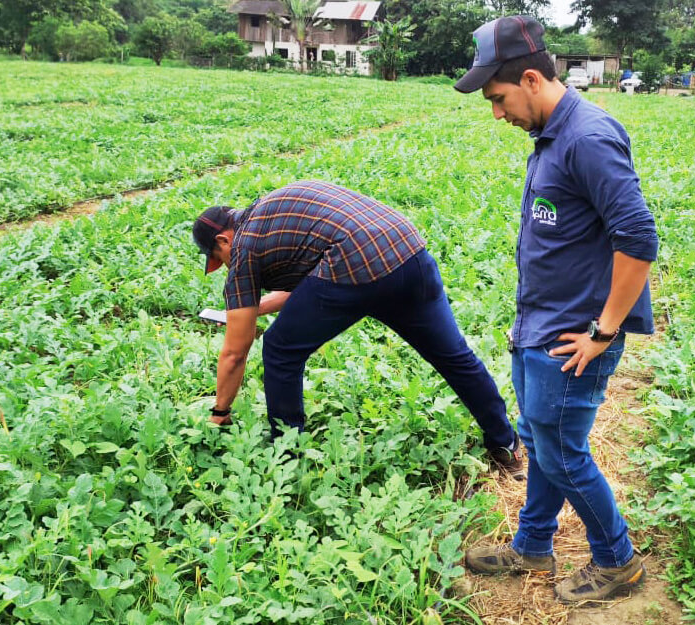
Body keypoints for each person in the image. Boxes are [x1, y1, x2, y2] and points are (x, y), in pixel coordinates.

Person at [454, 16, 659, 604]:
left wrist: (604, 330)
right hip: (539, 324)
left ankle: (617, 563)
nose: (497, 113)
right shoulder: (551, 135)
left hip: (574, 333)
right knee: (540, 439)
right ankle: (533, 544)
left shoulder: (588, 137)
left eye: (498, 98)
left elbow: (638, 238)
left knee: (563, 451)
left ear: (529, 78)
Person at [192, 179, 524, 480]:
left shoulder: (245, 247)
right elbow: (312, 284)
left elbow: (235, 351)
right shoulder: (278, 209)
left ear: (223, 238)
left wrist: (220, 412)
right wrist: (254, 310)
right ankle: (505, 444)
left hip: (357, 267)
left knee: (280, 349)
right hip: (408, 251)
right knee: (453, 356)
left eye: (219, 256)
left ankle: (287, 456)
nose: (226, 264)